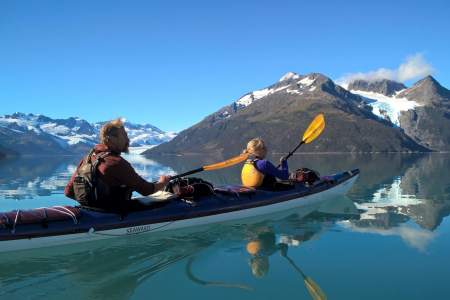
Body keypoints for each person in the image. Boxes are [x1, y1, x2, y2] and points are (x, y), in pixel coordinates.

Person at [64, 118, 171, 212]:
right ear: (111, 139)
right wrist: (162, 182)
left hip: (89, 211)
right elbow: (147, 190)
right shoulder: (116, 162)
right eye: (124, 136)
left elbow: (68, 192)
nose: (128, 140)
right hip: (114, 214)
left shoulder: (87, 159)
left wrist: (91, 203)